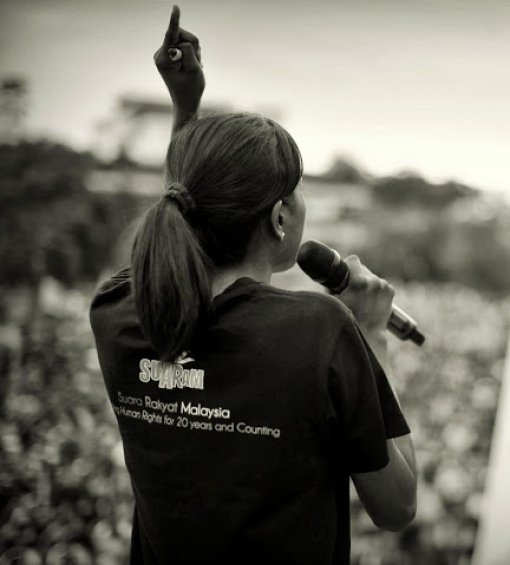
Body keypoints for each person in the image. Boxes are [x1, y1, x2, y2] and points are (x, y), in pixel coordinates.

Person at [88, 6, 417, 564]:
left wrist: (185, 111)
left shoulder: (117, 310)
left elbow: (182, 209)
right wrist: (372, 334)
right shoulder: (320, 329)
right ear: (279, 217)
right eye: (300, 190)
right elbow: (397, 507)